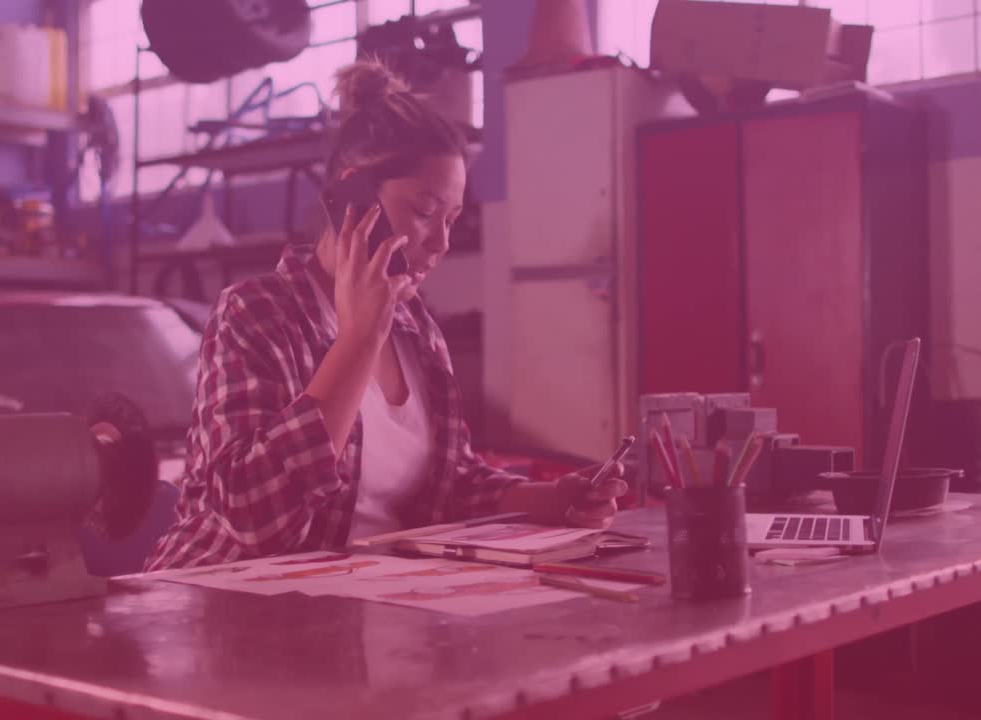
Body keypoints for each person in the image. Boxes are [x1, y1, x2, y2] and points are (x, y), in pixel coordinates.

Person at [146, 60, 628, 571]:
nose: (441, 243)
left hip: (362, 604)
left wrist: (550, 501)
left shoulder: (418, 329)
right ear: (352, 192)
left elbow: (451, 483)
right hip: (222, 605)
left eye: (452, 219)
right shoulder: (254, 316)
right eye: (424, 211)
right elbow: (248, 515)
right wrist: (357, 340)